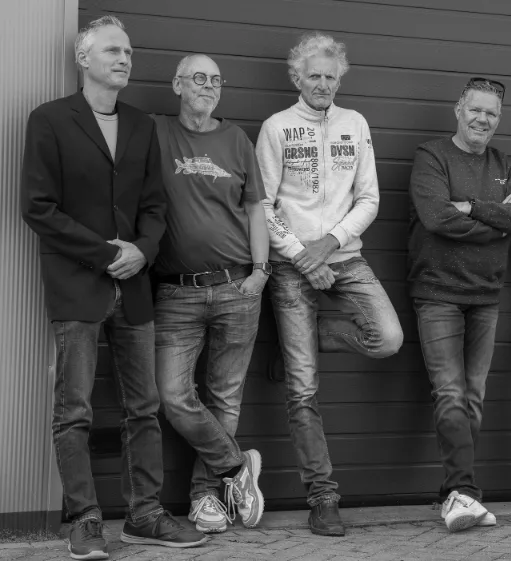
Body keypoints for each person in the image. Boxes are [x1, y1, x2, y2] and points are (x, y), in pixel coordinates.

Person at [21, 15, 207, 560]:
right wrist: (108, 254)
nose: (124, 59)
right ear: (84, 59)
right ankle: (83, 521)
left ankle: (144, 516)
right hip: (78, 284)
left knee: (144, 408)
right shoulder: (50, 120)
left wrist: (143, 251)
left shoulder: (141, 125)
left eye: (128, 52)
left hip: (136, 287)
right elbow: (38, 208)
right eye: (112, 51)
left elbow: (155, 204)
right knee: (74, 410)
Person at [255, 32, 403, 537]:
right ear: (296, 78)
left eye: (330, 76)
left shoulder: (354, 124)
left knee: (389, 338)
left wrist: (331, 243)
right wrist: (303, 255)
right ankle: (322, 497)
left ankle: (302, 343)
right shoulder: (276, 128)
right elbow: (263, 205)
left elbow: (370, 198)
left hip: (346, 258)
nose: (322, 84)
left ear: (341, 79)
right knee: (303, 388)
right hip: (292, 266)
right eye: (313, 75)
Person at [408, 77, 511, 532]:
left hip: (486, 294)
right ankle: (463, 492)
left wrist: (470, 207)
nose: (482, 119)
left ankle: (456, 493)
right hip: (437, 292)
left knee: (473, 397)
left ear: (499, 119)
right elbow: (436, 216)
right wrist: (498, 219)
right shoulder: (432, 156)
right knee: (449, 392)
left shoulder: (506, 163)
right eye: (475, 110)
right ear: (458, 110)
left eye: (491, 113)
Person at [151, 54, 269, 534]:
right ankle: (237, 466)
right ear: (177, 84)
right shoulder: (155, 132)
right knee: (173, 395)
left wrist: (261, 271)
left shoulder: (236, 139)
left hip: (238, 286)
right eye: (198, 78)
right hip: (176, 292)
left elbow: (256, 209)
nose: (208, 86)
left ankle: (205, 497)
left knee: (225, 397)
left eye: (216, 80)